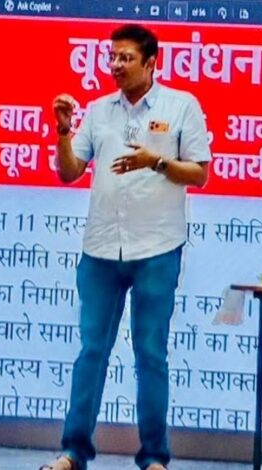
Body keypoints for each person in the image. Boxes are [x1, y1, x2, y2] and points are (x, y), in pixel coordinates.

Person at [40, 24, 211, 470]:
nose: (116, 65)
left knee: (150, 355)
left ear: (151, 62)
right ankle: (73, 452)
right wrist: (63, 132)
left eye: (126, 58)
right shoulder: (99, 111)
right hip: (101, 249)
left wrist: (155, 161)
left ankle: (154, 457)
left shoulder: (181, 106)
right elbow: (69, 172)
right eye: (112, 57)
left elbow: (199, 173)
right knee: (91, 352)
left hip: (157, 248)